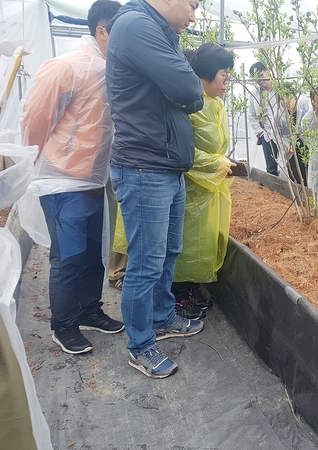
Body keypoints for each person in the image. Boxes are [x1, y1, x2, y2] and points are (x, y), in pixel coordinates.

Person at [106, 0, 205, 379]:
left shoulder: (161, 32)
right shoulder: (135, 25)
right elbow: (186, 84)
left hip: (165, 165)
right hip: (144, 165)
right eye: (193, 5)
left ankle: (163, 315)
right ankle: (140, 344)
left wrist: (181, 91)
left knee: (169, 251)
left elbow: (193, 96)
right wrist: (179, 89)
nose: (194, 15)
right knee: (145, 263)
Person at [20, 0, 124, 355]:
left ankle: (89, 310)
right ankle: (62, 324)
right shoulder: (67, 66)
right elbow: (35, 118)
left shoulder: (110, 68)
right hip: (62, 180)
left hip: (93, 180)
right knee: (69, 256)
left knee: (93, 252)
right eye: (120, 33)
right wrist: (45, 159)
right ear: (101, 30)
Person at [170, 43, 235, 318]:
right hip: (189, 186)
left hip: (209, 186)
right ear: (206, 74)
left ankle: (192, 288)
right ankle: (177, 296)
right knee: (183, 241)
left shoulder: (216, 104)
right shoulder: (189, 104)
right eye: (223, 74)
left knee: (201, 241)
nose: (226, 81)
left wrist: (222, 163)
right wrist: (216, 163)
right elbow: (183, 150)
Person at [247, 61, 287, 176]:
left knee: (289, 166)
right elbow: (251, 115)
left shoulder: (281, 89)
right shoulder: (255, 94)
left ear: (268, 71)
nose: (260, 81)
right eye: (257, 79)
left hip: (284, 134)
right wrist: (260, 133)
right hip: (267, 136)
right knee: (271, 169)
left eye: (261, 76)